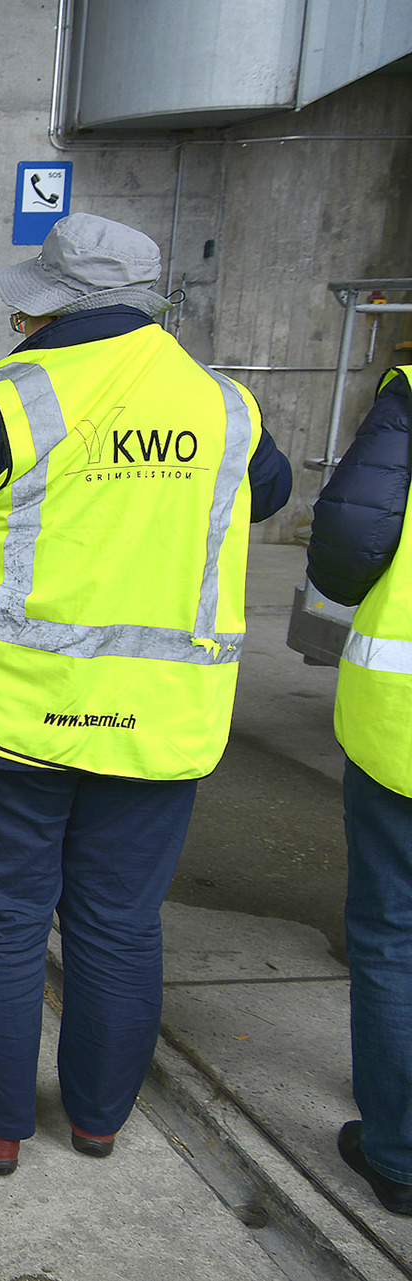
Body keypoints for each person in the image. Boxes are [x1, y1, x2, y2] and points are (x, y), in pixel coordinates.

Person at [0, 212, 292, 1173]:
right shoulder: (222, 404)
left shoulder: (12, 397)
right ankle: (98, 1116)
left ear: (45, 303)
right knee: (121, 923)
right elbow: (269, 491)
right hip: (159, 720)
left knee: (8, 923)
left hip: (10, 722)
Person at [308, 364, 412, 1216]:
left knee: (393, 934)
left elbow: (345, 555)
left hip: (405, 730)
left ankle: (400, 1153)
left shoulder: (411, 396)